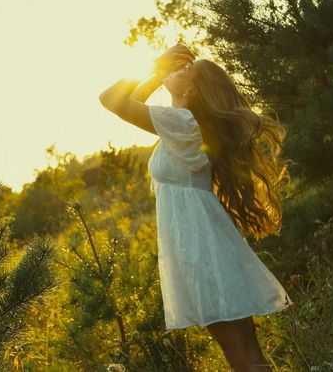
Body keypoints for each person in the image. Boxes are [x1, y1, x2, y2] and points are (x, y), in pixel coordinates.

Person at [99, 43, 294, 372]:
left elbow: (110, 100)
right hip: (208, 246)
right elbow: (127, 103)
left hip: (200, 251)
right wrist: (158, 72)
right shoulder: (184, 125)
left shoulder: (184, 123)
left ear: (194, 89)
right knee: (249, 359)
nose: (177, 69)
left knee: (243, 361)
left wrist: (157, 66)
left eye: (186, 69)